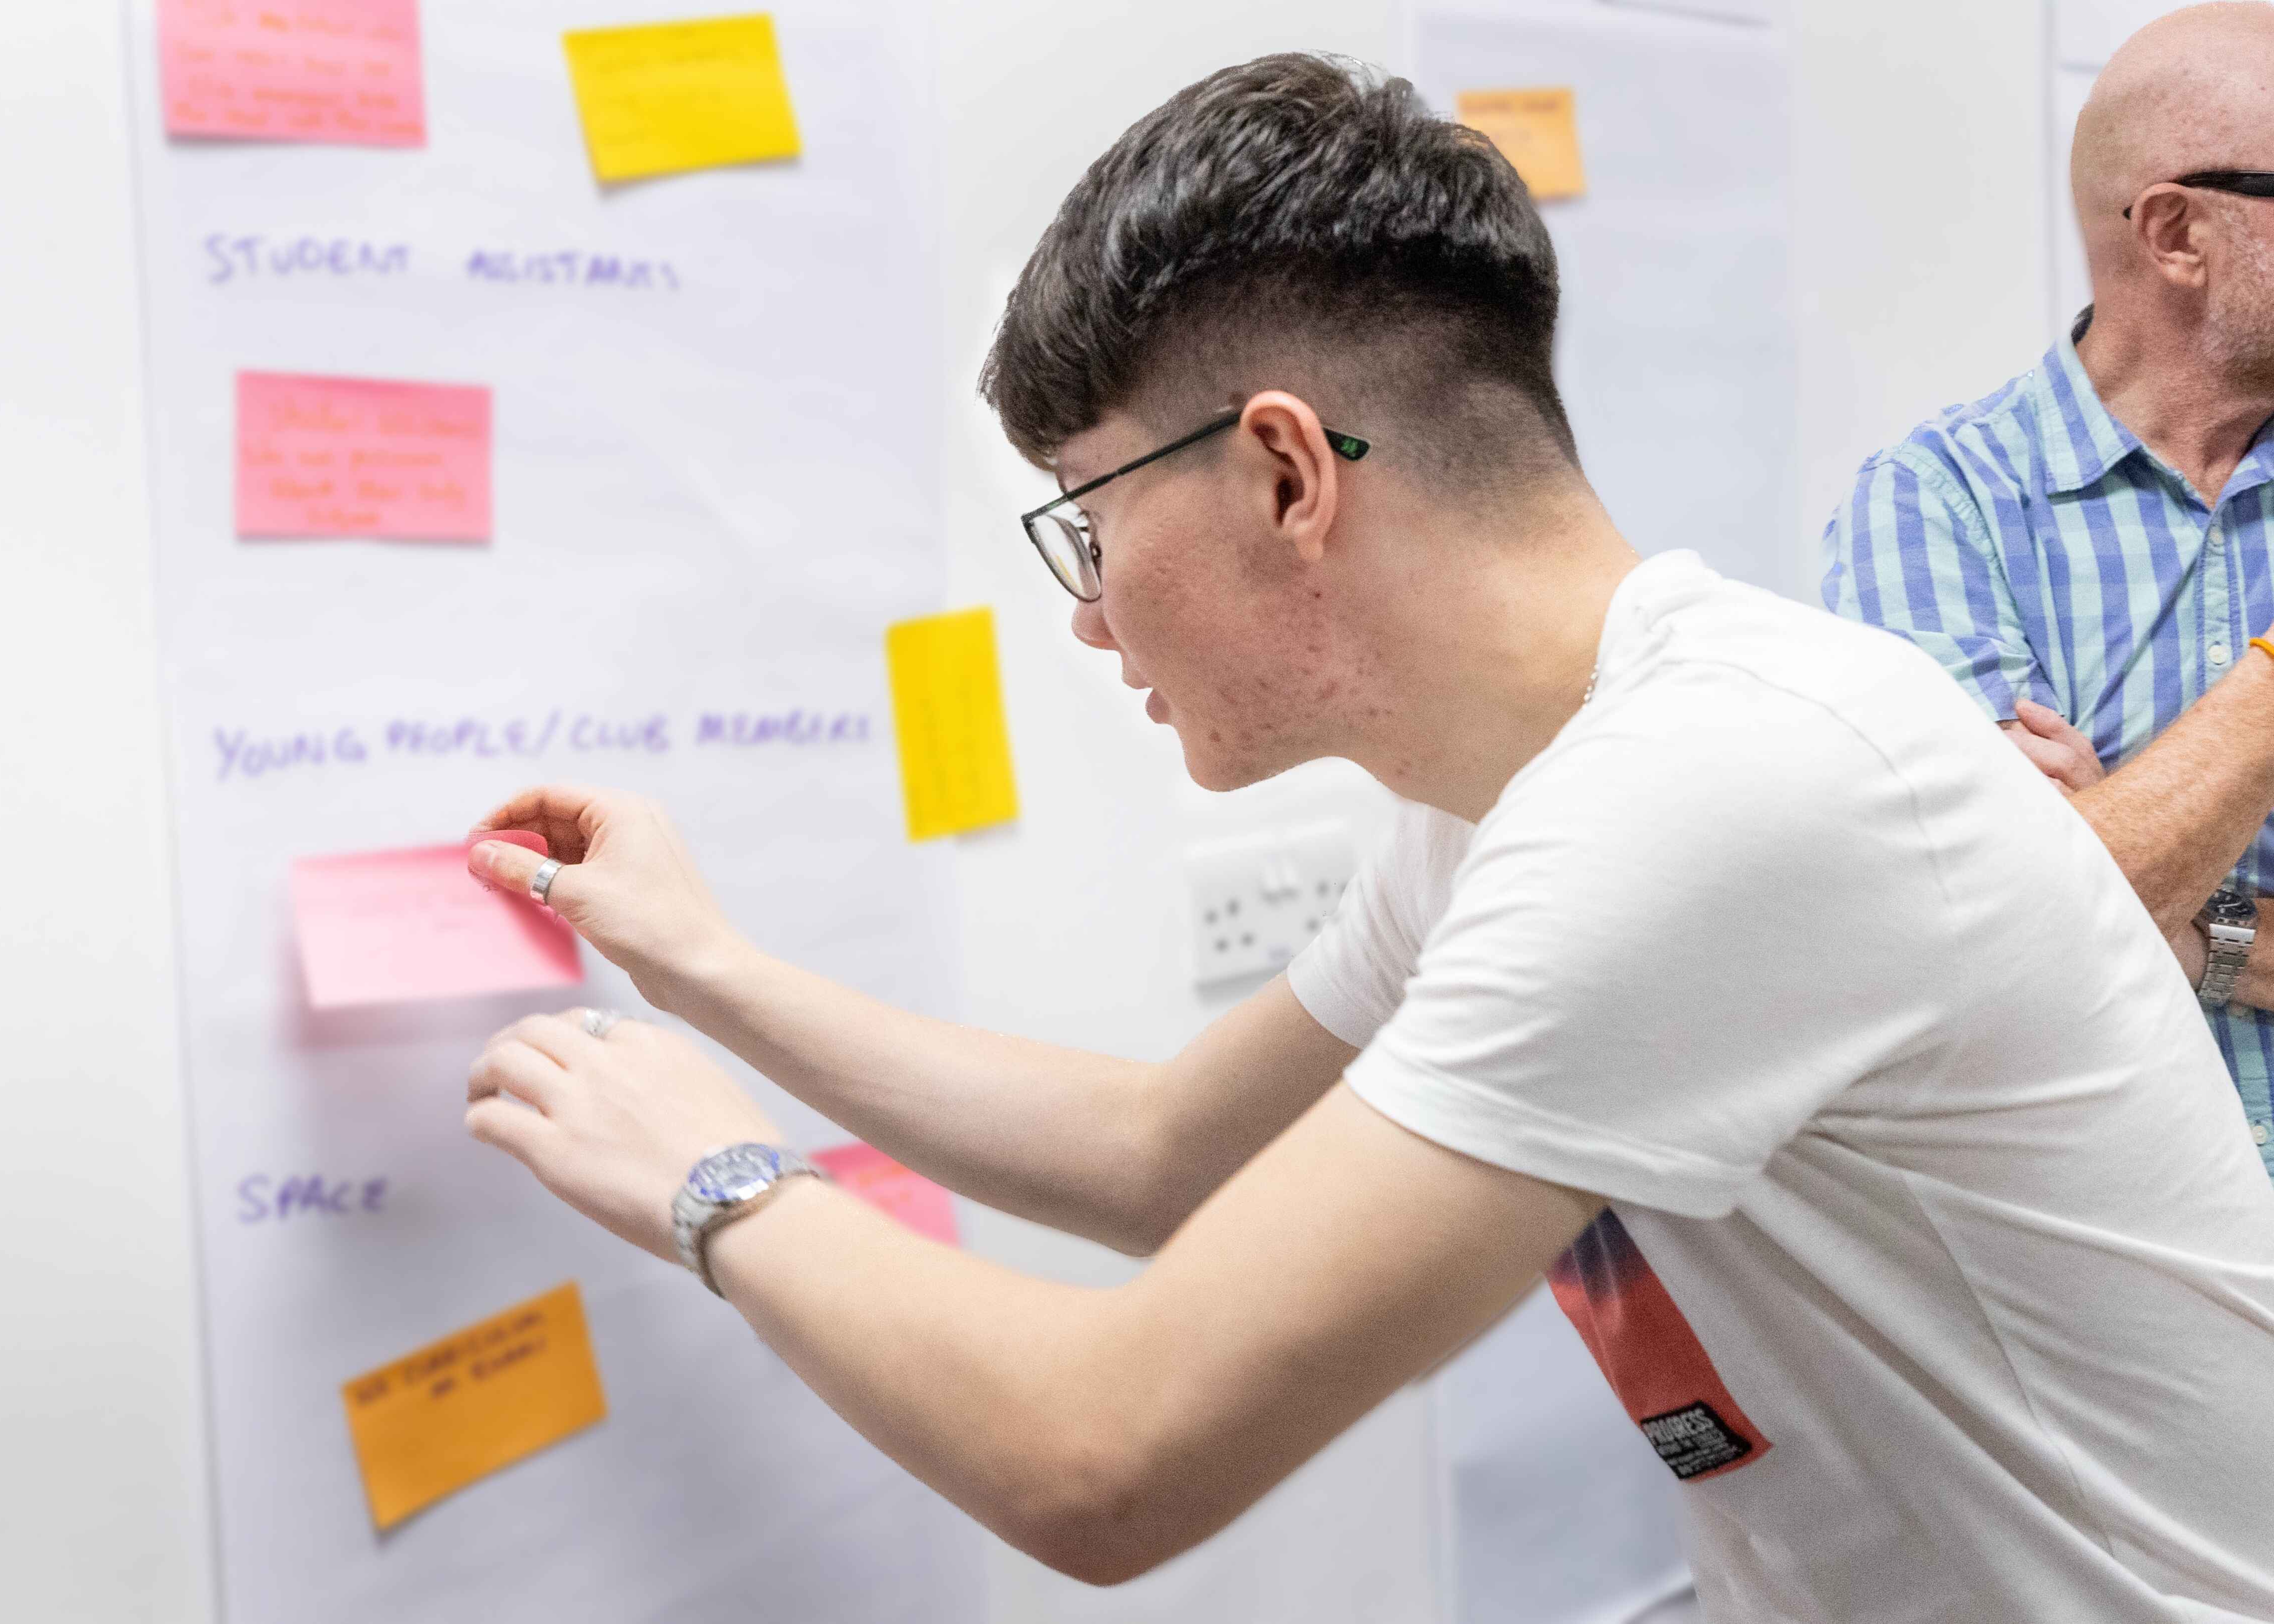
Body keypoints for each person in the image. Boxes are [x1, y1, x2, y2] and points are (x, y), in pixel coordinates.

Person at [461, 53, 2274, 1623]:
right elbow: (1155, 1149)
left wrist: (720, 1186)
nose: (1090, 619)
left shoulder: (1719, 788)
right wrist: (700, 962)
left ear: (1283, 473)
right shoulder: (1528, 779)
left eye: (1088, 524)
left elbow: (1108, 1456)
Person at [1825, 1, 2274, 1172]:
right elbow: (1993, 936)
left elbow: (2074, 891)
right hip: (2116, 1256)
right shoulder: (1931, 508)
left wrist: (2158, 893)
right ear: (2176, 233)